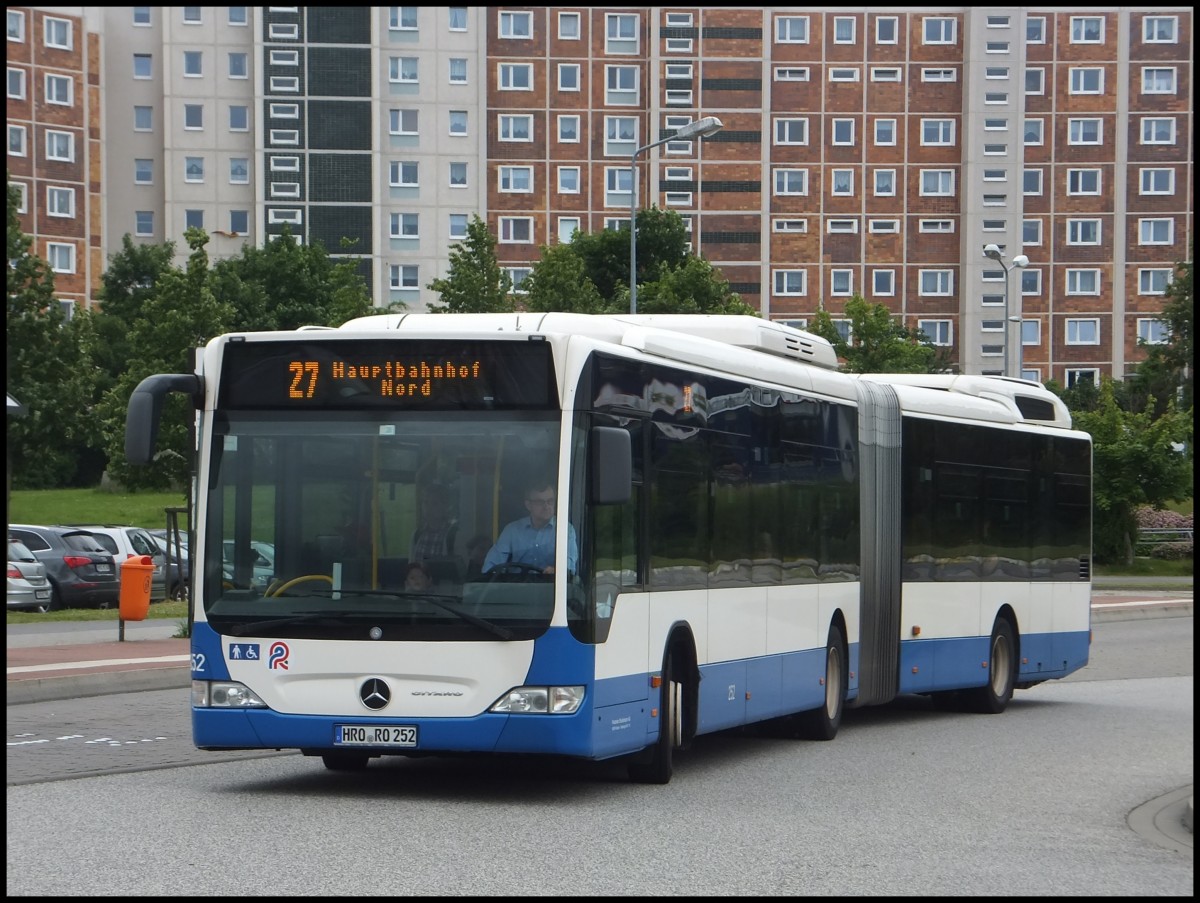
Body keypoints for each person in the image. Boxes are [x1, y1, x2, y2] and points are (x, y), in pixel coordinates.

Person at [483, 480, 578, 575]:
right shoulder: (512, 530)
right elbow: (491, 567)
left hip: (552, 587)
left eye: (550, 501)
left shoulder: (565, 530)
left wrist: (556, 570)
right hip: (515, 587)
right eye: (540, 502)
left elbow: (569, 567)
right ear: (528, 505)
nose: (546, 506)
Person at [410, 483, 458, 562]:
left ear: (445, 506)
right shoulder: (417, 535)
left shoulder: (453, 535)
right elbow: (411, 567)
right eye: (425, 502)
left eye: (434, 503)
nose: (428, 508)